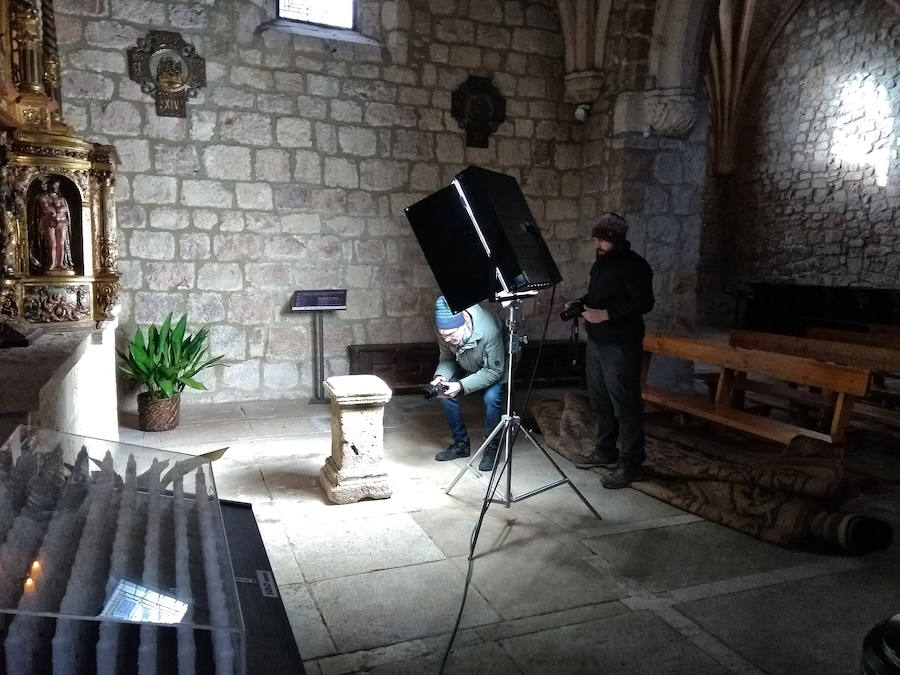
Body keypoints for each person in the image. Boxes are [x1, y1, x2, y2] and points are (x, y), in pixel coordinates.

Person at [568, 212, 654, 489]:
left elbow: (644, 303)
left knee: (625, 405)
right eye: (597, 238)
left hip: (621, 344)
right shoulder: (601, 263)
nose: (598, 244)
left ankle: (631, 463)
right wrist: (579, 304)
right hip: (597, 342)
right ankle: (606, 450)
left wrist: (606, 314)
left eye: (603, 239)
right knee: (601, 401)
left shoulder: (634, 265)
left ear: (616, 240)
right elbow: (596, 297)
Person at [430, 296, 506, 471]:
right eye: (443, 336)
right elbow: (447, 357)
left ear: (465, 321)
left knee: (491, 398)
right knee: (445, 391)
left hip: (494, 366)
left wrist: (461, 386)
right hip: (466, 361)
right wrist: (441, 376)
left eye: (451, 335)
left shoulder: (489, 330)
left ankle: (492, 447)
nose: (447, 339)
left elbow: (493, 371)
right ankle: (461, 443)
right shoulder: (445, 332)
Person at [36, 178, 72, 272]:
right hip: (49, 222)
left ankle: (60, 263)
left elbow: (65, 208)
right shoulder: (43, 197)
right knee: (52, 243)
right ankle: (52, 263)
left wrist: (59, 211)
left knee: (61, 243)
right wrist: (54, 211)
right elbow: (45, 208)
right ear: (49, 186)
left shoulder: (61, 199)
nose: (55, 188)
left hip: (62, 222)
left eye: (57, 186)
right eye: (53, 186)